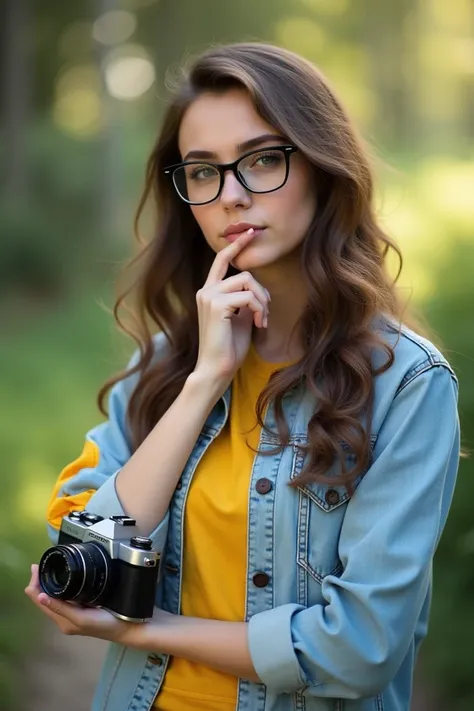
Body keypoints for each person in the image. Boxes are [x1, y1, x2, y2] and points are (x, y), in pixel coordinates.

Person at [25, 42, 460, 711]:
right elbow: (86, 564)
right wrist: (203, 383)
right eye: (203, 172)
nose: (231, 195)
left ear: (320, 166)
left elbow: (360, 649)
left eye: (261, 160)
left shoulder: (406, 385)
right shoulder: (164, 366)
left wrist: (151, 628)